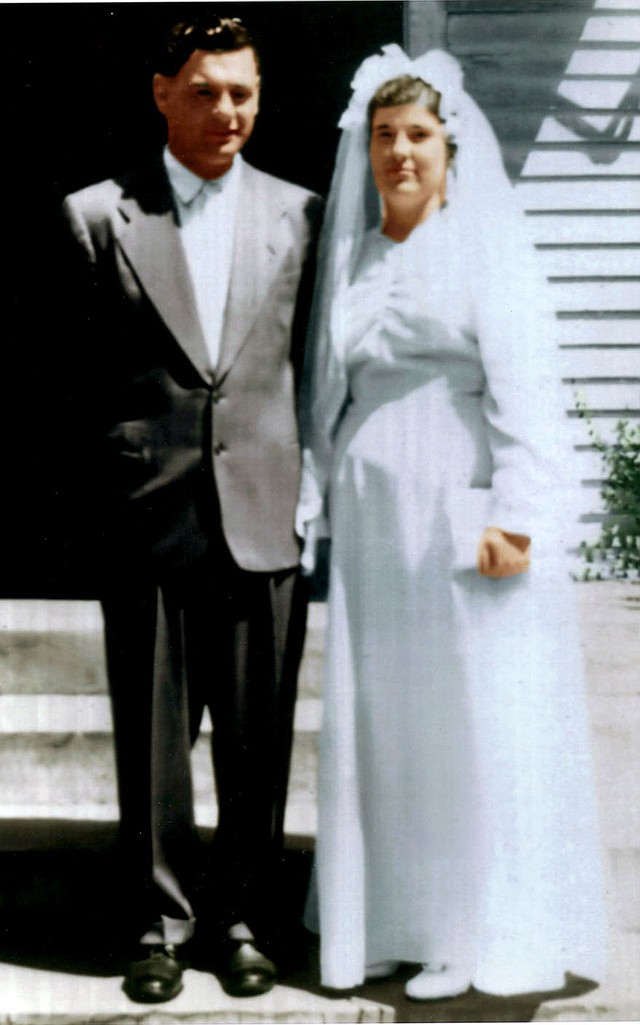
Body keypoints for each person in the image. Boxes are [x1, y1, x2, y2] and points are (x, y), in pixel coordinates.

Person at [297, 44, 606, 1000]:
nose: (399, 153)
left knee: (467, 722)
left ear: (451, 148)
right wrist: (317, 502)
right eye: (384, 136)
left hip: (462, 516)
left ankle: (466, 932)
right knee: (386, 722)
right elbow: (326, 401)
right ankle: (387, 919)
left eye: (418, 136)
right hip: (375, 521)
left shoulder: (486, 252)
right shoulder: (350, 261)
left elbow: (528, 394)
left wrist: (518, 515)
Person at [59, 15, 322, 1003]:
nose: (228, 111)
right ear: (161, 91)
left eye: (243, 92)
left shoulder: (301, 214)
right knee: (155, 738)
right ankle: (158, 922)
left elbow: (312, 361)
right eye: (206, 90)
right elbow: (66, 377)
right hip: (148, 509)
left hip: (262, 503)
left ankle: (240, 915)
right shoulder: (97, 215)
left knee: (257, 734)